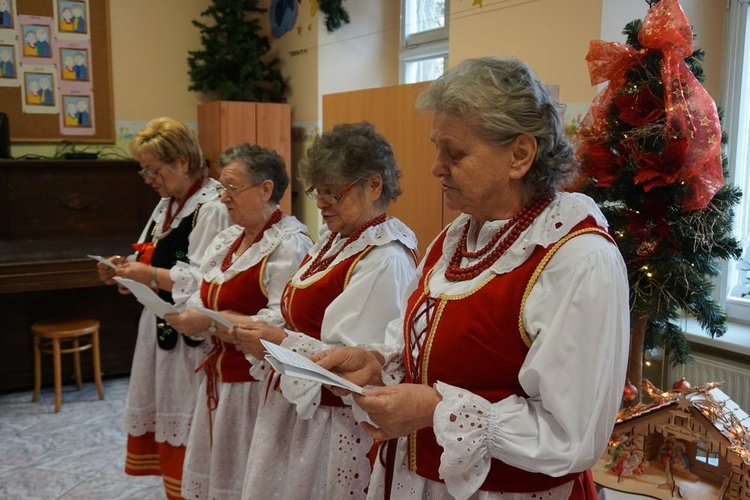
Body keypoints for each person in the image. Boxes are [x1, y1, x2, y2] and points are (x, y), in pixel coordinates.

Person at [315, 57, 630, 500]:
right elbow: (424, 348)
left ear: (520, 155)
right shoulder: (456, 238)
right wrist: (377, 362)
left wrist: (437, 411)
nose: (436, 167)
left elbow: (572, 435)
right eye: (436, 148)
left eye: (455, 152)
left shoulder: (577, 259)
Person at [238, 122, 419, 499]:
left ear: (374, 185)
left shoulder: (385, 257)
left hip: (337, 424)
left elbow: (353, 366)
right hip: (302, 412)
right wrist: (267, 329)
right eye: (318, 192)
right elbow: (295, 311)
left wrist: (278, 340)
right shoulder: (339, 240)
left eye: (333, 193)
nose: (321, 203)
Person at [163, 143, 312, 499]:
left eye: (231, 187)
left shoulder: (289, 244)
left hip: (255, 388)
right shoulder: (230, 237)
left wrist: (212, 324)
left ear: (265, 189)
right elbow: (203, 289)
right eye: (220, 188)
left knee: (249, 479)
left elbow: (283, 321)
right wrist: (191, 315)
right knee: (221, 474)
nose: (223, 198)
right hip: (220, 380)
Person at [95, 117, 230, 500]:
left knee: (193, 428)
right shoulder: (167, 204)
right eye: (144, 169)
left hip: (191, 336)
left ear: (183, 162)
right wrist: (122, 269)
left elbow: (207, 279)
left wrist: (147, 274)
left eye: (153, 169)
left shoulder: (214, 207)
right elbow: (149, 256)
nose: (147, 177)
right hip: (159, 326)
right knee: (169, 420)